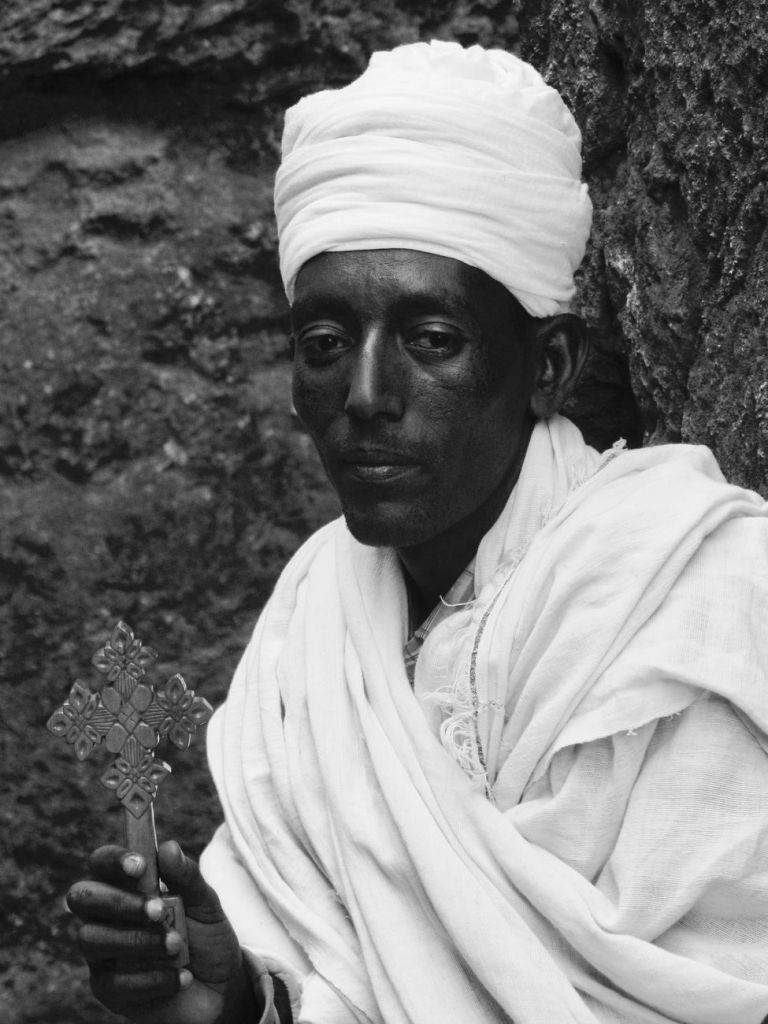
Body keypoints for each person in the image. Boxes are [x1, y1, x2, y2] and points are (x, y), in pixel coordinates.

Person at [66, 40, 768, 1024]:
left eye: (431, 341)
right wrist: (229, 997)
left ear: (550, 364)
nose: (363, 397)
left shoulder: (692, 597)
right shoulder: (317, 608)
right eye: (323, 346)